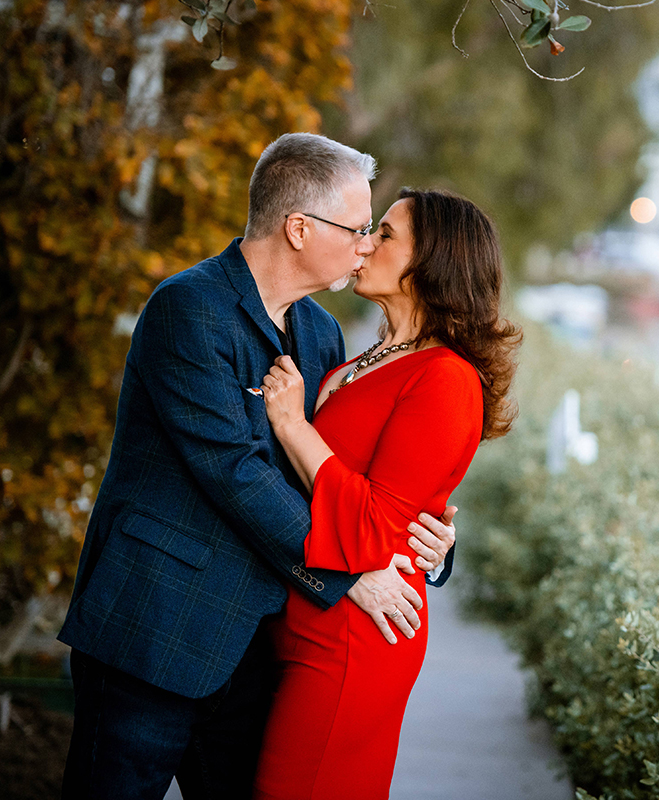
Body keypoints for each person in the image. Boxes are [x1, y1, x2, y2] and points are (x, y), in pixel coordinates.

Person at [57, 134, 460, 800]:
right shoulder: (188, 310)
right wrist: (351, 570)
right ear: (298, 229)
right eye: (357, 228)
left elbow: (341, 474)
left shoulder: (321, 334)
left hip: (254, 648)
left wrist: (425, 537)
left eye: (373, 232)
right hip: (153, 631)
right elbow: (236, 474)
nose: (365, 244)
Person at [251, 188, 521, 799]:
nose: (365, 243)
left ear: (432, 265)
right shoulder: (370, 357)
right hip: (304, 607)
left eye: (387, 235)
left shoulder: (446, 379)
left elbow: (375, 523)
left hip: (355, 634)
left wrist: (293, 426)